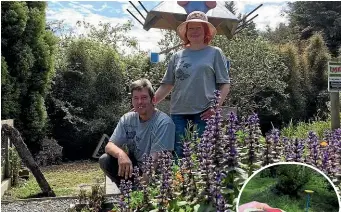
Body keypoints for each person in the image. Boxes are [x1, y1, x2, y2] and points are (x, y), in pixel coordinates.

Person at [154, 11, 231, 158]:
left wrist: (216, 107)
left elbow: (225, 84)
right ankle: (179, 181)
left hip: (204, 113)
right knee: (179, 154)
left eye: (198, 28)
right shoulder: (176, 56)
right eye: (191, 28)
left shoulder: (215, 53)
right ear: (186, 32)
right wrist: (150, 102)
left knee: (203, 156)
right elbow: (167, 84)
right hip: (178, 113)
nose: (194, 32)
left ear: (205, 31)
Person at [99, 79, 175, 186]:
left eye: (144, 98)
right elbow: (109, 146)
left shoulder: (164, 123)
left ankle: (136, 193)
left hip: (157, 173)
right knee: (105, 160)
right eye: (136, 98)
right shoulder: (127, 119)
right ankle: (126, 191)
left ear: (153, 99)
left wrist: (141, 191)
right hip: (135, 168)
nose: (139, 102)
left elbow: (155, 162)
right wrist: (121, 154)